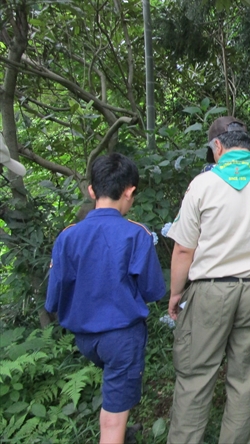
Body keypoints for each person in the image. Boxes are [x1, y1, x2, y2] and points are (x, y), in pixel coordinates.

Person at [165, 116, 250, 444]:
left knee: (195, 377)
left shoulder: (203, 185)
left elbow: (183, 249)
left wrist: (175, 294)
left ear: (217, 148)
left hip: (209, 293)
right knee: (246, 380)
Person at [45, 153, 166, 444]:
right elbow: (152, 291)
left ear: (91, 191)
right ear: (130, 191)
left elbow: (53, 300)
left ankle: (124, 433)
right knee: (113, 419)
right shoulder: (136, 234)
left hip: (85, 338)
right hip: (121, 339)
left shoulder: (68, 236)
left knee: (115, 395)